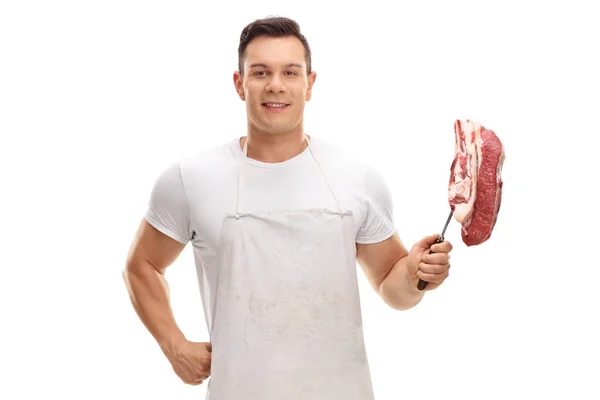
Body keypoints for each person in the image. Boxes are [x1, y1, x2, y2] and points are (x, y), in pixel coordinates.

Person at [123, 16, 453, 400]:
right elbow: (141, 265)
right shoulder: (192, 178)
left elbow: (391, 287)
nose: (275, 85)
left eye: (290, 72)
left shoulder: (355, 177)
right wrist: (173, 344)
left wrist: (415, 273)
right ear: (239, 83)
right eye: (260, 72)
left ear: (309, 84)